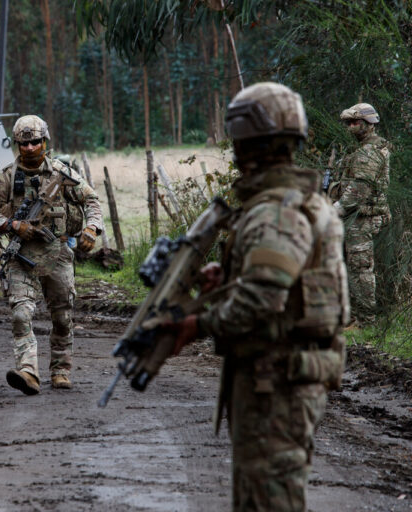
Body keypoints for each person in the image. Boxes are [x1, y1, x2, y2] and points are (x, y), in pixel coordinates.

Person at [165, 83, 349, 511]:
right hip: (281, 376)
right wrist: (228, 279)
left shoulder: (276, 210)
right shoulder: (302, 201)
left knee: (268, 501)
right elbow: (284, 284)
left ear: (246, 144)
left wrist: (197, 325)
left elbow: (262, 298)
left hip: (276, 382)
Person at [0, 115, 103, 394]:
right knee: (21, 314)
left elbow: (92, 200)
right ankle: (28, 371)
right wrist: (12, 224)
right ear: (17, 144)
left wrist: (92, 229)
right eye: (24, 143)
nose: (30, 148)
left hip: (58, 253)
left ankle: (60, 369)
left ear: (44, 141)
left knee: (62, 316)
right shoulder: (7, 177)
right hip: (20, 256)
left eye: (35, 142)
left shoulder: (63, 173)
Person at [329, 103, 391, 323]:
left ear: (367, 124)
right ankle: (354, 316)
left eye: (354, 123)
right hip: (358, 217)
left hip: (363, 217)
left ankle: (366, 320)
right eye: (348, 123)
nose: (350, 127)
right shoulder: (361, 148)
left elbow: (360, 188)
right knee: (353, 266)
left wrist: (338, 208)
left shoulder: (369, 151)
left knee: (360, 268)